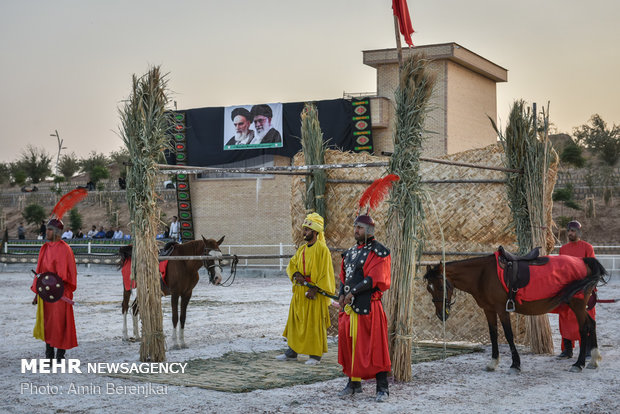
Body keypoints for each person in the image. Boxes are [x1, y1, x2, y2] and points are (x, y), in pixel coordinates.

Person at [338, 214, 391, 402]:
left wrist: (352, 293)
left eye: (360, 227)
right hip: (350, 310)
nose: (356, 230)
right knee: (350, 346)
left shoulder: (379, 252)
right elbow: (343, 277)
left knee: (375, 348)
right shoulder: (350, 252)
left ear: (369, 230)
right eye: (355, 227)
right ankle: (354, 384)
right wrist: (341, 295)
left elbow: (374, 278)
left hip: (370, 307)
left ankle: (382, 388)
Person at [276, 213, 335, 365]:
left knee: (313, 324)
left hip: (313, 294)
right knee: (295, 321)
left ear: (315, 232)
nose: (304, 233)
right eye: (304, 229)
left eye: (307, 230)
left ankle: (315, 356)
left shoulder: (322, 250)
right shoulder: (302, 249)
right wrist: (296, 274)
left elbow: (326, 273)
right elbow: (292, 264)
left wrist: (314, 289)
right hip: (300, 292)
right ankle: (292, 352)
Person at [31, 218, 78, 361]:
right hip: (45, 294)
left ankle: (60, 356)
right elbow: (39, 271)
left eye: (50, 230)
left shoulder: (66, 249)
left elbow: (70, 274)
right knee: (48, 323)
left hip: (61, 293)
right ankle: (49, 355)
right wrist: (37, 292)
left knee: (60, 323)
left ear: (57, 232)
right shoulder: (44, 248)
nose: (47, 232)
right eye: (47, 229)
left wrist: (61, 290)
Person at [556, 220, 596, 359]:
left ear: (578, 232)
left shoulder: (587, 247)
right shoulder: (563, 249)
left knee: (585, 318)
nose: (570, 233)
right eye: (569, 231)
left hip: (583, 288)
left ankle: (587, 350)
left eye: (573, 231)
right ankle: (567, 350)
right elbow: (561, 270)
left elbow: (593, 269)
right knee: (565, 317)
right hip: (568, 289)